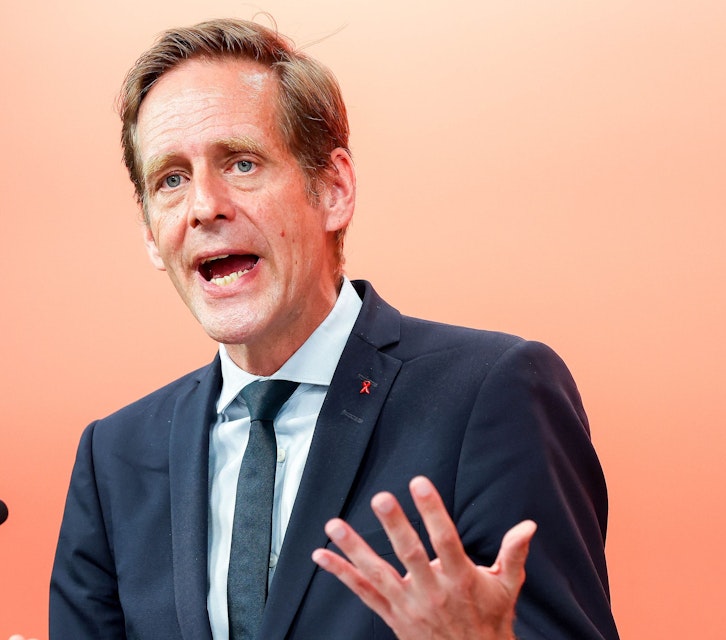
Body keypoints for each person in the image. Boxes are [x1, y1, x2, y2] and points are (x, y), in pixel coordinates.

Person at [49, 18, 619, 640]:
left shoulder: (494, 393)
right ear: (150, 235)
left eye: (241, 163)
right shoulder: (114, 457)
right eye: (171, 180)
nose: (204, 207)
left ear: (333, 189)